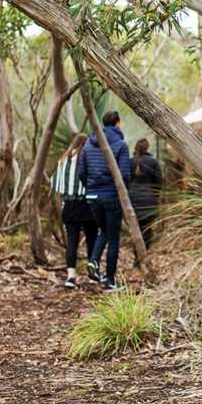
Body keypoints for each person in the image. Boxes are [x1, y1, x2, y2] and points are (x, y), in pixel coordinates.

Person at [77, 110, 131, 291]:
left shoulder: (88, 144)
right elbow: (124, 175)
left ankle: (93, 261)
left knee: (103, 231)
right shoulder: (121, 145)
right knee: (113, 238)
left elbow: (81, 173)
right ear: (118, 123)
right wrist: (121, 194)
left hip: (92, 196)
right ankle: (110, 281)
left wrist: (91, 188)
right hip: (111, 196)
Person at [51, 134, 98, 289]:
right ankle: (93, 273)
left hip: (70, 205)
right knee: (92, 239)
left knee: (72, 242)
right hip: (88, 205)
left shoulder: (63, 161)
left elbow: (55, 185)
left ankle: (71, 276)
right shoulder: (89, 161)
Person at [129, 138, 163, 258]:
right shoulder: (153, 162)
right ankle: (144, 255)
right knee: (147, 229)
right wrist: (155, 196)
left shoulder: (130, 161)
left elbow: (125, 180)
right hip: (149, 200)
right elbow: (159, 182)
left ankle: (136, 257)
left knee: (136, 230)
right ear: (147, 148)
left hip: (132, 201)